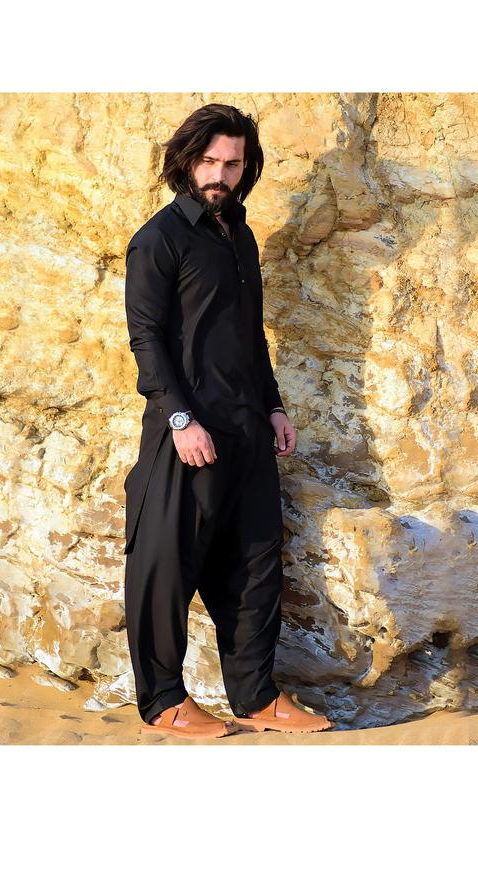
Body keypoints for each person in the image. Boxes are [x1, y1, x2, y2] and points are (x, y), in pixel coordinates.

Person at [122, 103, 333, 740]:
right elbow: (146, 339)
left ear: (247, 167)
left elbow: (250, 335)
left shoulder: (240, 236)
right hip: (188, 430)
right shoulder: (158, 240)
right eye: (209, 161)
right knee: (165, 566)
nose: (220, 174)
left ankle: (256, 697)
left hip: (247, 429)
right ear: (187, 162)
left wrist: (274, 405)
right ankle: (164, 702)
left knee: (256, 562)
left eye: (233, 163)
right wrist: (181, 418)